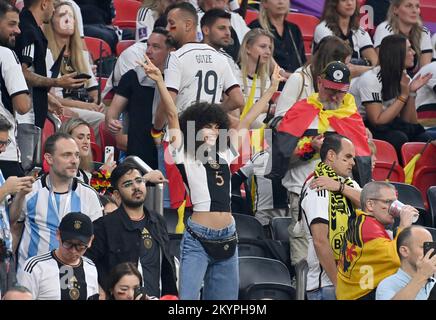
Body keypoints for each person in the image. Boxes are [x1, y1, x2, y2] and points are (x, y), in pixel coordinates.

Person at [138, 46, 283, 299]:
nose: (213, 131)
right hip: (198, 237)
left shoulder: (226, 154)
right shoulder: (183, 152)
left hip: (229, 236)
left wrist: (271, 89)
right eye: (207, 126)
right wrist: (160, 80)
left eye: (217, 127)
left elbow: (248, 119)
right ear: (193, 128)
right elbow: (172, 113)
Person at [9, 132, 103, 269]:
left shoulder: (89, 195)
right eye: (67, 155)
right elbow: (14, 227)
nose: (74, 160)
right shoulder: (30, 190)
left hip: (72, 276)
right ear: (49, 158)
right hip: (32, 276)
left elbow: (97, 241)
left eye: (76, 155)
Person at [85, 161, 177, 298]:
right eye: (128, 184)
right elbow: (85, 263)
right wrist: (99, 291)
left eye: (139, 181)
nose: (136, 187)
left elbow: (166, 266)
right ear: (116, 195)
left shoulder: (158, 221)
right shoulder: (103, 226)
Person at [14, 0, 86, 171]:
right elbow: (22, 73)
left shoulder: (31, 27)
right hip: (24, 117)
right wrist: (56, 82)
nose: (54, 9)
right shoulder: (27, 30)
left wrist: (46, 97)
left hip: (31, 111)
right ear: (44, 3)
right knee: (24, 168)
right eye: (53, 4)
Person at [350, 34, 433, 160]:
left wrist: (411, 93)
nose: (414, 53)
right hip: (361, 125)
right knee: (399, 138)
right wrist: (403, 95)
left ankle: (419, 175)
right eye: (409, 49)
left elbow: (410, 122)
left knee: (424, 137)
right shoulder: (371, 79)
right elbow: (376, 120)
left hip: (386, 122)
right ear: (397, 55)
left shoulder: (404, 77)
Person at [299, 134, 361, 300]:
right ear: (331, 156)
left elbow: (371, 203)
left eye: (353, 158)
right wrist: (339, 285)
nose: (353, 163)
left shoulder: (349, 184)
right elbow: (320, 240)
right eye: (348, 157)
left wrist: (340, 187)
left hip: (353, 280)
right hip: (326, 286)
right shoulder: (317, 186)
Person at [337, 181, 419, 300]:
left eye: (394, 202)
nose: (393, 207)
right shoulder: (369, 228)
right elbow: (397, 258)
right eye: (388, 202)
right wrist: (404, 226)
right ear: (370, 205)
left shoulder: (361, 220)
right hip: (359, 296)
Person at [43, 1, 105, 141]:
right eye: (62, 15)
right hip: (62, 108)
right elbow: (55, 98)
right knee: (102, 120)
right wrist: (86, 106)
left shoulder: (81, 54)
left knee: (113, 118)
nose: (68, 19)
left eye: (71, 15)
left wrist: (97, 102)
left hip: (85, 106)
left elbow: (94, 90)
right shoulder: (47, 54)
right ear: (51, 22)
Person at [17, 211, 99, 300]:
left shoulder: (90, 268)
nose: (73, 251)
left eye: (80, 246)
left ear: (90, 241)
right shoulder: (35, 267)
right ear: (58, 235)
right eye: (68, 243)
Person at [0, 115, 34, 296]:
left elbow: (10, 218)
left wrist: (20, 194)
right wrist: (5, 189)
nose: (3, 149)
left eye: (6, 144)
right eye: (0, 143)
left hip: (5, 254)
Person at [0, 1, 31, 178]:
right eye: (12, 24)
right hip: (5, 153)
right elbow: (22, 105)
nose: (18, 31)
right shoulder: (5, 54)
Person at [314, 0, 378, 77]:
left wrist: (358, 68)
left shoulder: (359, 31)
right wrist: (365, 63)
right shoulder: (323, 29)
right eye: (344, 0)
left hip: (356, 80)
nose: (350, 3)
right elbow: (336, 68)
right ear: (334, 3)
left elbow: (375, 62)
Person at [248, 0, 306, 79]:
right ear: (265, 3)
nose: (281, 2)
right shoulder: (256, 27)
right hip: (268, 81)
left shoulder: (294, 29)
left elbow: (302, 61)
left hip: (295, 81)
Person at [376, 225, 436, 300]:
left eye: (432, 247)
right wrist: (422, 275)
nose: (431, 252)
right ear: (404, 251)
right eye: (425, 247)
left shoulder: (433, 283)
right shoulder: (388, 284)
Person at [373, 0, 433, 74]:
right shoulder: (384, 28)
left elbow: (425, 71)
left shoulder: (424, 32)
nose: (414, 11)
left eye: (417, 6)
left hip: (413, 80)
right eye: (408, 6)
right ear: (395, 9)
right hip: (388, 78)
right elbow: (385, 66)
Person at [59, 117, 116, 194]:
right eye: (80, 137)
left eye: (88, 137)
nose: (86, 142)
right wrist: (102, 177)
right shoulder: (61, 171)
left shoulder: (85, 174)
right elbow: (83, 200)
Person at [238, 28, 274, 127]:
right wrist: (268, 108)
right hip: (238, 132)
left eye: (269, 47)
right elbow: (240, 110)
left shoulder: (266, 78)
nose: (268, 52)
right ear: (248, 48)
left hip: (261, 134)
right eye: (263, 46)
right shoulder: (234, 74)